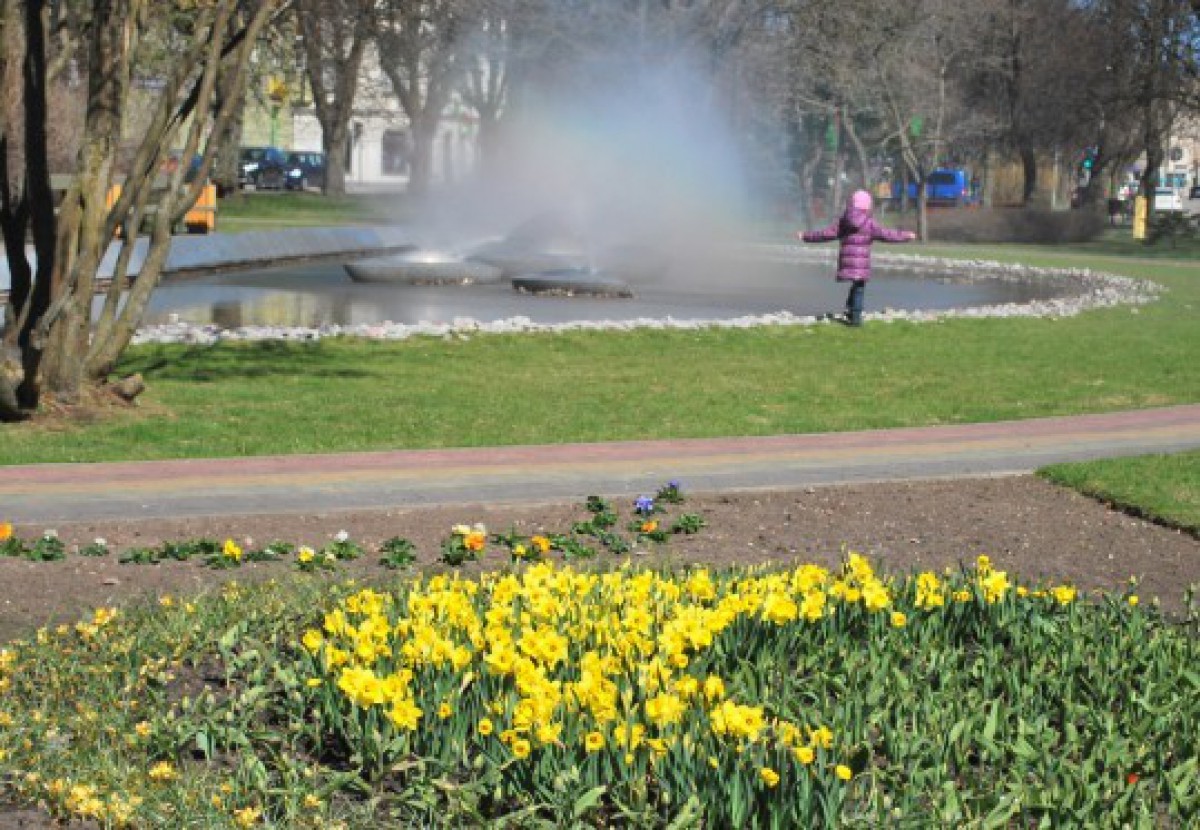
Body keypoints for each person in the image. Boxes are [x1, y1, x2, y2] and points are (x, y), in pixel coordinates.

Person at [797, 189, 916, 326]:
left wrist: (805, 236)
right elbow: (887, 234)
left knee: (856, 285)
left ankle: (849, 309)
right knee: (859, 287)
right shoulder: (869, 223)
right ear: (867, 206)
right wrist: (906, 236)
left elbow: (825, 234)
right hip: (861, 263)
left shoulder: (844, 221)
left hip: (847, 260)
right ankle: (856, 319)